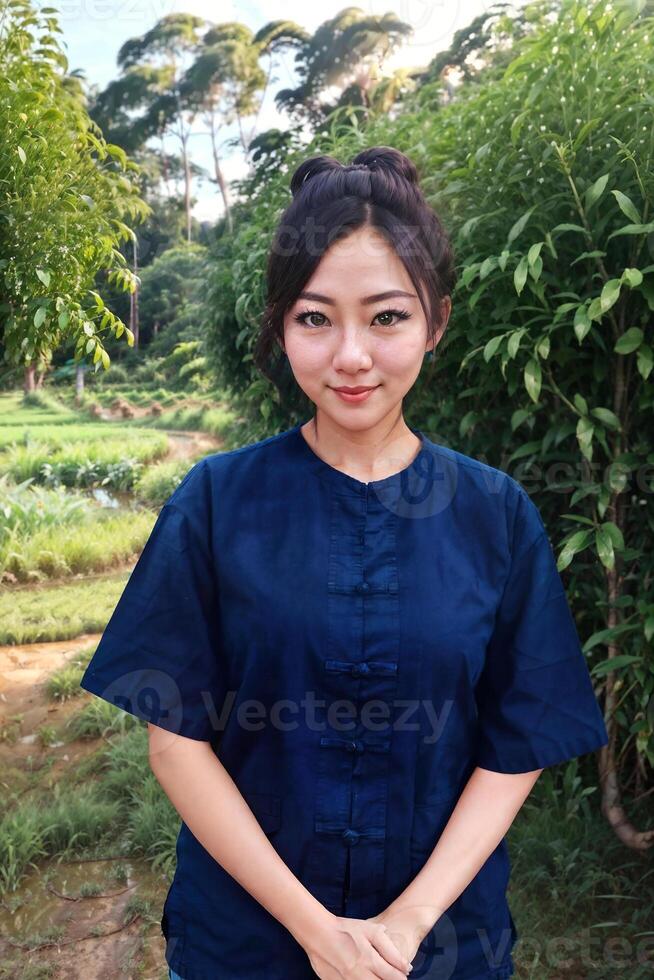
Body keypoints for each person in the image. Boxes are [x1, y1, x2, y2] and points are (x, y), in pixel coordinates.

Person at [79, 146, 609, 980]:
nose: (351, 355)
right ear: (282, 327)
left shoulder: (495, 513)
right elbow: (175, 738)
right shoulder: (216, 502)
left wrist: (407, 924)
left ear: (435, 320)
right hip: (247, 946)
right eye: (315, 318)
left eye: (387, 317)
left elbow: (519, 741)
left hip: (440, 948)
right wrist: (316, 930)